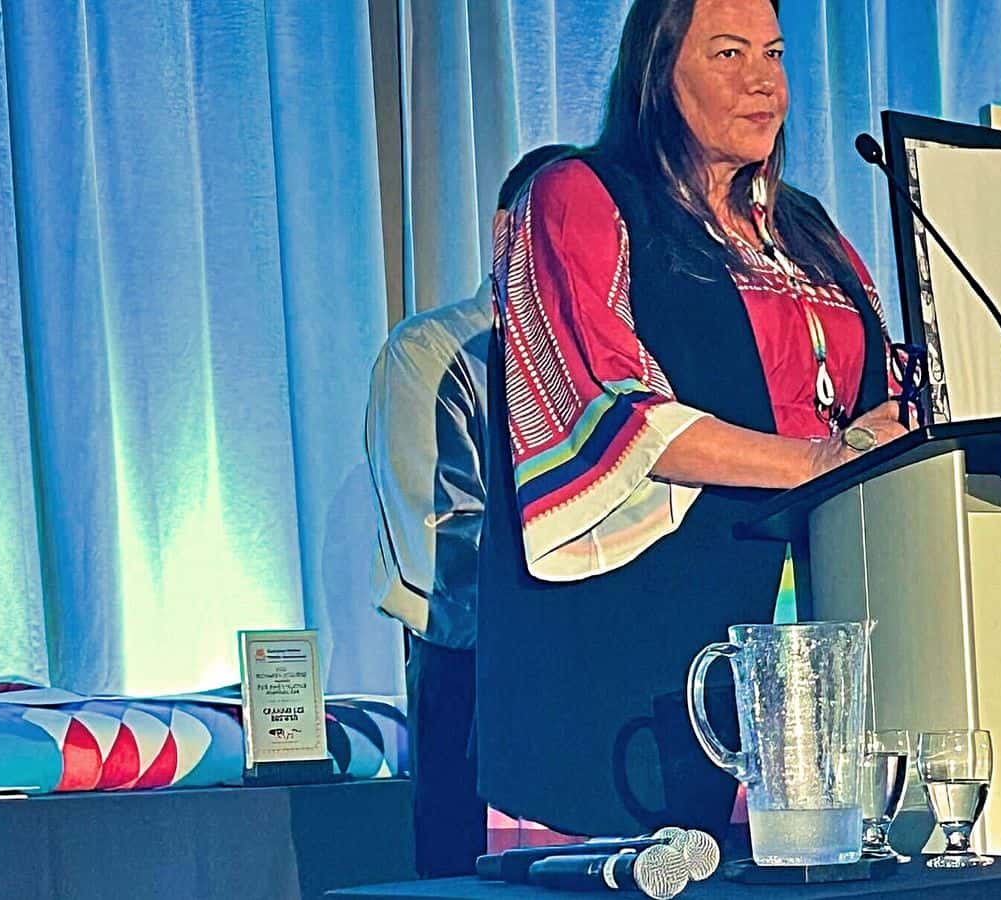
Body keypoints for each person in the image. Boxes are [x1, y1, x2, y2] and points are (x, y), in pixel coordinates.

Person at [476, 0, 909, 841]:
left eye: (774, 54)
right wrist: (820, 461)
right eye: (728, 52)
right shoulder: (579, 195)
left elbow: (883, 396)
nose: (763, 81)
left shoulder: (807, 227)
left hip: (805, 631)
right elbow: (607, 407)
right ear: (657, 75)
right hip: (626, 646)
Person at [365, 144, 577, 877]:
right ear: (506, 232)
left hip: (593, 662)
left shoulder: (616, 365)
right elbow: (438, 543)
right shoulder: (430, 352)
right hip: (476, 662)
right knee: (468, 870)